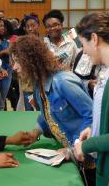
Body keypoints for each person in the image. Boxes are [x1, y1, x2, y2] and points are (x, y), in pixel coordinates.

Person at [10, 35, 94, 185]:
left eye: (17, 61)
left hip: (90, 161)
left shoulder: (64, 82)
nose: (14, 67)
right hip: (72, 155)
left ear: (31, 61)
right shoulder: (39, 84)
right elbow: (48, 113)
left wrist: (73, 150)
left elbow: (93, 117)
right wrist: (36, 132)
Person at [74, 12, 109, 186]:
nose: (84, 51)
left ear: (94, 39)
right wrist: (94, 129)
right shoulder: (106, 71)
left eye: (83, 44)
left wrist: (87, 146)